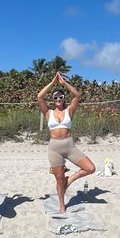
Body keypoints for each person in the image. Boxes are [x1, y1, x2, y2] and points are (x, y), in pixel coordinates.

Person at [37, 72, 96, 212]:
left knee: (90, 168)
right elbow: (39, 97)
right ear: (53, 100)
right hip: (54, 148)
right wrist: (52, 83)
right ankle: (62, 206)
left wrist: (64, 84)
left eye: (61, 97)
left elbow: (77, 96)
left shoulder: (69, 110)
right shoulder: (48, 112)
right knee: (58, 179)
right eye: (55, 97)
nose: (58, 99)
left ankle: (70, 179)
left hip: (69, 146)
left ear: (64, 99)